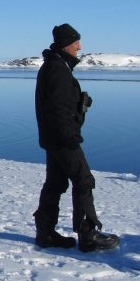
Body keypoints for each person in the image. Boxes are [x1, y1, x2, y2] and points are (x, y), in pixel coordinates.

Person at [33, 24, 119, 252]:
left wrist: (79, 107)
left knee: (55, 183)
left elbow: (59, 106)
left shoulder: (55, 66)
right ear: (65, 44)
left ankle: (45, 233)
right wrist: (70, 135)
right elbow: (57, 109)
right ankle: (88, 235)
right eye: (76, 42)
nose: (79, 46)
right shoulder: (57, 69)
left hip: (55, 137)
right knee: (83, 180)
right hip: (63, 139)